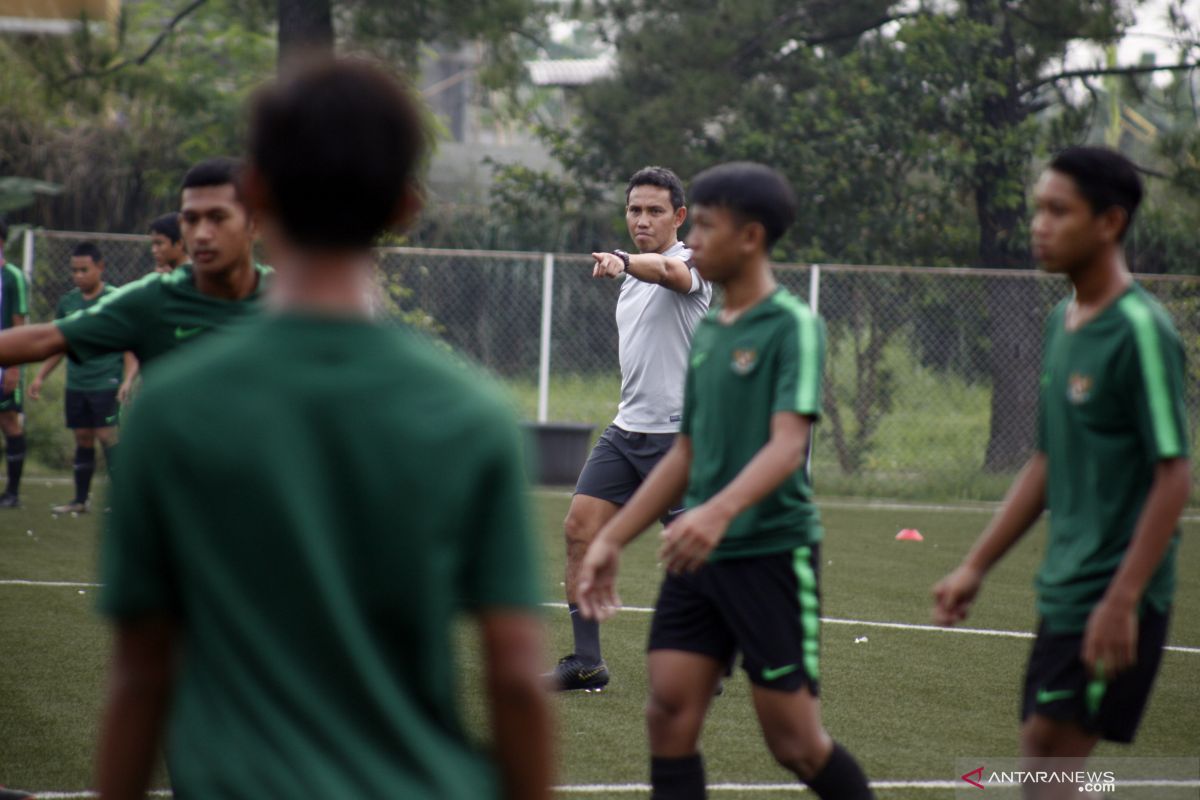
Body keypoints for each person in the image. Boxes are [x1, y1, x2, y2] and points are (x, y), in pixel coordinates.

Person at [94, 58, 552, 800]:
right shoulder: (474, 416)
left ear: (259, 194)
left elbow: (142, 674)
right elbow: (515, 680)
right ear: (405, 206)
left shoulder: (171, 411)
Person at [577, 162, 874, 800]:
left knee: (794, 743)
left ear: (752, 237)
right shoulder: (715, 333)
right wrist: (610, 540)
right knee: (668, 713)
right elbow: (687, 452)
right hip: (698, 558)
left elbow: (787, 446)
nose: (695, 240)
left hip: (767, 550)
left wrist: (712, 515)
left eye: (707, 226)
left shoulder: (790, 324)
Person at [933, 147, 1189, 797]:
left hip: (1114, 590)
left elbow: (1173, 476)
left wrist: (1123, 600)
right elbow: (1046, 463)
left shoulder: (1140, 329)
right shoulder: (1061, 320)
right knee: (1044, 752)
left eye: (1057, 211)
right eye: (1036, 210)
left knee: (1051, 760)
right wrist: (975, 565)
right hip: (1069, 581)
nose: (1038, 225)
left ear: (1109, 222)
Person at [550, 166, 712, 692]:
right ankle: (587, 663)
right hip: (627, 432)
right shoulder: (629, 281)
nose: (642, 219)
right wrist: (625, 266)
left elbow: (666, 271)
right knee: (579, 529)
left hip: (682, 438)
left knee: (689, 555)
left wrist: (623, 261)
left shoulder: (691, 264)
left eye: (654, 211)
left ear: (679, 217)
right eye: (634, 210)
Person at [0, 157, 268, 375]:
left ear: (255, 224)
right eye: (191, 219)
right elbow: (46, 339)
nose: (201, 234)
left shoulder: (292, 302)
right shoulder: (153, 300)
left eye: (217, 218)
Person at [29, 242, 135, 513]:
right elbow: (59, 344)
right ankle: (79, 501)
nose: (78, 276)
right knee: (83, 438)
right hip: (77, 382)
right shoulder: (68, 303)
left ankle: (125, 500)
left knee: (107, 435)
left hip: (106, 381)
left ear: (100, 267)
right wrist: (40, 376)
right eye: (74, 271)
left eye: (84, 270)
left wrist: (128, 379)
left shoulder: (116, 299)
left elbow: (130, 345)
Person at [0, 220, 29, 508]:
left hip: (4, 362)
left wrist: (14, 366)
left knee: (8, 421)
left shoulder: (12, 277)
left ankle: (12, 493)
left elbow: (20, 324)